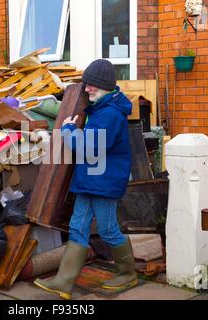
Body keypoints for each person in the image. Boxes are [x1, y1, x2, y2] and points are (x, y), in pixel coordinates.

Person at [33, 59, 137, 300]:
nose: (87, 88)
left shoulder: (109, 114)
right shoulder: (100, 109)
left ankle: (128, 273)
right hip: (90, 180)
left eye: (92, 85)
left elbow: (90, 147)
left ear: (105, 87)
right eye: (86, 84)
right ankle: (63, 282)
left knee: (108, 229)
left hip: (103, 183)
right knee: (77, 226)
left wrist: (69, 131)